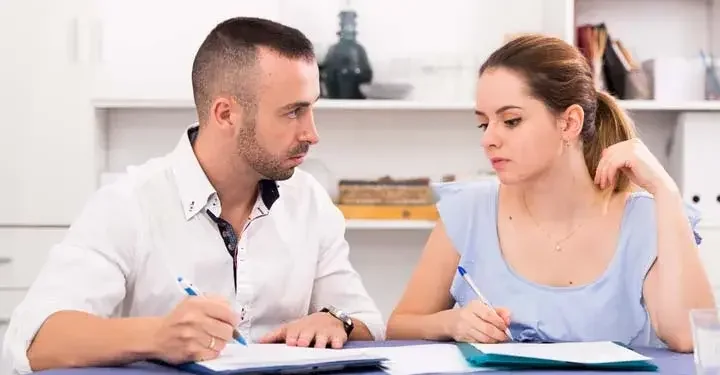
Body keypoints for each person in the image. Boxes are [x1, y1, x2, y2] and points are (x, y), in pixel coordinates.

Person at [1, 17, 384, 375]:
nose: (312, 133)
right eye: (293, 112)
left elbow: (367, 319)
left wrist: (338, 320)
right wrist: (156, 336)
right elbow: (31, 340)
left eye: (311, 108)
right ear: (224, 114)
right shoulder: (129, 204)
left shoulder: (310, 201)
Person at [386, 34, 715, 352]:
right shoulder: (468, 211)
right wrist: (450, 323)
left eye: (511, 121)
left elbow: (688, 338)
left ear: (569, 123)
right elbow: (399, 326)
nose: (489, 139)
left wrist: (665, 190)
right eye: (484, 124)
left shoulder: (645, 219)